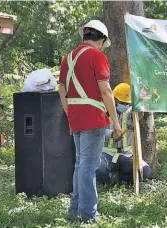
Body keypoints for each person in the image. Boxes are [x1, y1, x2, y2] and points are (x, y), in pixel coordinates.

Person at [58, 20, 122, 223]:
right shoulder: (97, 55)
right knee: (87, 166)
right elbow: (105, 90)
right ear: (101, 40)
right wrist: (115, 121)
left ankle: (74, 211)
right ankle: (89, 215)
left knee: (80, 165)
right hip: (94, 118)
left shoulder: (67, 58)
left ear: (84, 36)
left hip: (76, 117)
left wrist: (70, 114)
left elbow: (62, 89)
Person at [96, 83, 152, 185]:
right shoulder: (104, 111)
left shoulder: (133, 113)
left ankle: (121, 180)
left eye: (127, 103)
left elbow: (142, 109)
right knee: (98, 168)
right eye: (120, 102)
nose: (124, 105)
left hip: (127, 155)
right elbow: (97, 130)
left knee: (145, 171)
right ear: (114, 99)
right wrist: (111, 134)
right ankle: (108, 182)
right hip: (106, 154)